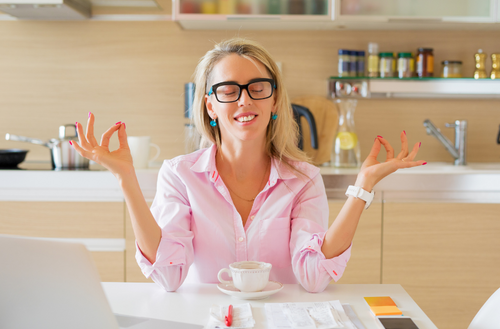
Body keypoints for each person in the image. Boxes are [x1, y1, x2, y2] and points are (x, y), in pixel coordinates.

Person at [71, 38, 425, 293]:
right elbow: (169, 276)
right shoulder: (180, 175)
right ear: (210, 106)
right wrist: (127, 179)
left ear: (274, 101)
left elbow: (315, 276)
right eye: (228, 90)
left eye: (258, 87)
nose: (244, 100)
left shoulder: (303, 180)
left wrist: (361, 189)